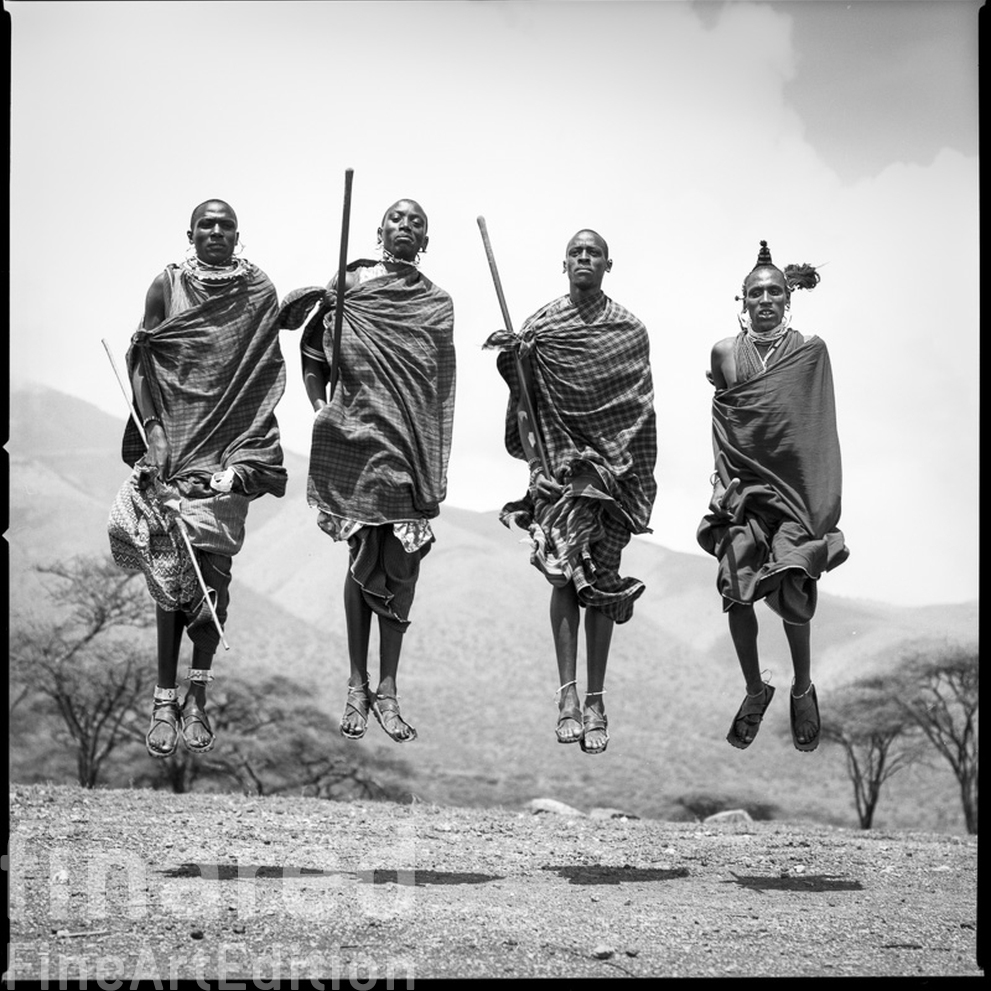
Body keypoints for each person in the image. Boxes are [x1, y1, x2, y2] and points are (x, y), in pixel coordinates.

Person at [109, 198, 288, 759]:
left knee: (212, 584)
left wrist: (242, 464)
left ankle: (199, 696)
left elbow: (261, 374)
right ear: (190, 232)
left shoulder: (258, 290)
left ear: (239, 234)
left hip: (227, 451)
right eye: (206, 224)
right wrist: (156, 433)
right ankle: (165, 700)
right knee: (169, 579)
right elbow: (143, 359)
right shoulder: (165, 285)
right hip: (175, 448)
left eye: (225, 225)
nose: (216, 231)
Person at [277, 198, 455, 744]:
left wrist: (433, 453)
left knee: (402, 566)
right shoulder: (350, 288)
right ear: (380, 231)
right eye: (397, 219)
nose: (407, 227)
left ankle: (390, 690)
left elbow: (441, 386)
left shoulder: (437, 303)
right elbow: (312, 352)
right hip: (355, 443)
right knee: (361, 558)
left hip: (408, 449)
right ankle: (357, 686)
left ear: (426, 239)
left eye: (417, 222)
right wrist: (321, 409)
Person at [484, 230, 656, 755]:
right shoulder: (539, 329)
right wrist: (538, 462)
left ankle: (598, 702)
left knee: (601, 580)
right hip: (557, 474)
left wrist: (624, 471)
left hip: (612, 477)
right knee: (562, 573)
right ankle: (567, 699)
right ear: (564, 264)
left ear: (609, 263)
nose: (585, 259)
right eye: (576, 253)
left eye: (594, 253)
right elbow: (524, 405)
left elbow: (639, 411)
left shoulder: (629, 330)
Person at [697, 240, 849, 753]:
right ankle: (755, 688)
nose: (765, 299)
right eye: (755, 292)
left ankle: (802, 686)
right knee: (734, 583)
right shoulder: (723, 353)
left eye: (774, 292)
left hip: (794, 494)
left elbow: (814, 426)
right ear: (741, 300)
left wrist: (818, 499)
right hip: (742, 489)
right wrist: (719, 482)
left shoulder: (809, 352)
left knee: (792, 584)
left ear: (789, 299)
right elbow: (726, 422)